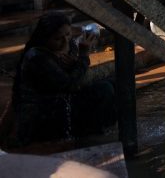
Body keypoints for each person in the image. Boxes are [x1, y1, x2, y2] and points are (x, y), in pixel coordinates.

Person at [9, 12, 116, 147]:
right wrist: (83, 57)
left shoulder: (67, 47)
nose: (65, 41)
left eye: (68, 34)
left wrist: (74, 64)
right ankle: (92, 134)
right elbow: (71, 85)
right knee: (104, 90)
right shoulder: (36, 56)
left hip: (59, 104)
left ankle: (106, 130)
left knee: (114, 83)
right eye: (58, 38)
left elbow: (75, 78)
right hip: (40, 118)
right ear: (45, 39)